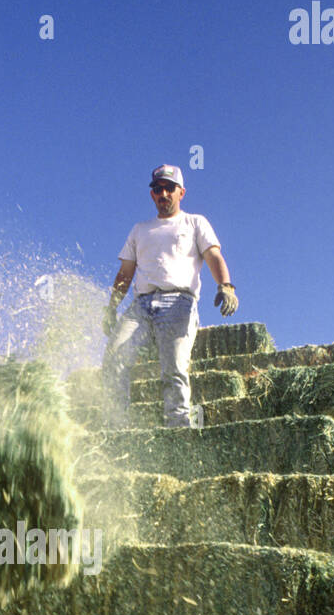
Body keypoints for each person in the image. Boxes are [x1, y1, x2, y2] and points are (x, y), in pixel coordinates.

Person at [102, 163, 238, 427]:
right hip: (140, 306)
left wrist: (226, 285)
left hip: (178, 303)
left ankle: (178, 430)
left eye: (169, 188)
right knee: (114, 357)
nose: (163, 194)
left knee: (174, 368)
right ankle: (116, 428)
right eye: (157, 189)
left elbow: (213, 256)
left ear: (181, 192)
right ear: (152, 194)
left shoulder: (195, 223)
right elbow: (125, 273)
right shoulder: (140, 230)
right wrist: (111, 307)